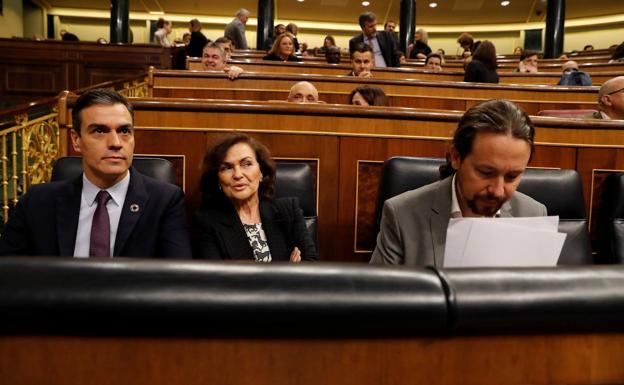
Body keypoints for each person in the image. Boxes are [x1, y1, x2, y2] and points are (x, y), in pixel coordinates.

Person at [0, 89, 192, 258]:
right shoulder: (37, 202)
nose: (116, 142)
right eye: (100, 131)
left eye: (125, 131)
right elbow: (9, 274)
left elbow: (176, 280)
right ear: (76, 140)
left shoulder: (165, 202)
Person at [370, 99, 546, 267]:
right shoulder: (402, 215)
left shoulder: (534, 215)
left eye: (512, 176)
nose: (498, 191)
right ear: (456, 157)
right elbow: (379, 294)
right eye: (485, 173)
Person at [195, 132, 318, 262]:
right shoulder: (207, 223)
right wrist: (287, 271)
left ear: (261, 172)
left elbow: (310, 266)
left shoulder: (288, 211)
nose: (238, 175)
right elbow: (216, 279)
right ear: (218, 179)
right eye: (227, 168)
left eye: (247, 164)